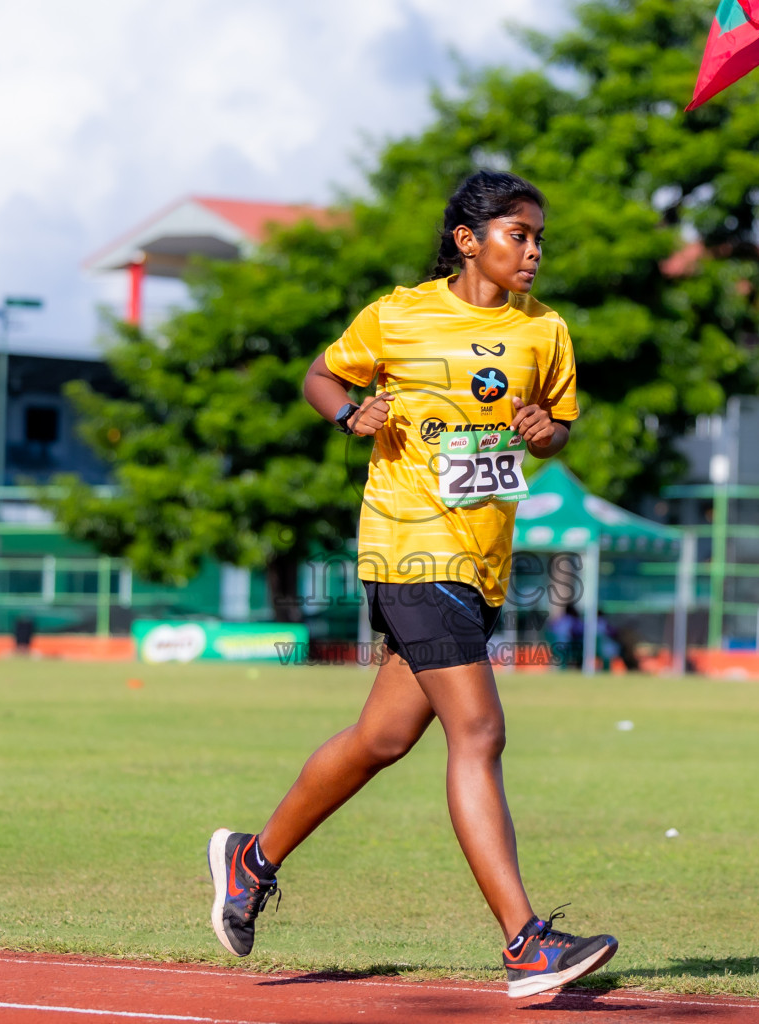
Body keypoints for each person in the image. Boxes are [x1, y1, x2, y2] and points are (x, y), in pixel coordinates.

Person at [206, 170, 617, 999]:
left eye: (539, 238)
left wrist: (545, 430)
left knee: (382, 739)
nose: (533, 251)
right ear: (468, 240)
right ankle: (525, 944)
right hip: (410, 550)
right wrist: (348, 413)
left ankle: (251, 860)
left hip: (482, 560)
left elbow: (556, 432)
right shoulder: (399, 315)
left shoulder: (546, 332)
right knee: (480, 732)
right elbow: (321, 375)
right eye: (518, 235)